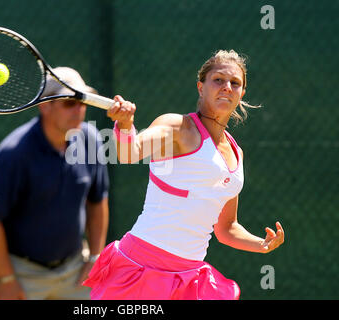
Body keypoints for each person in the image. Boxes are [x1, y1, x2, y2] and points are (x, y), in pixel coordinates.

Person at [83, 50, 285, 300]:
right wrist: (125, 125)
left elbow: (226, 228)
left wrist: (261, 244)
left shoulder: (236, 153)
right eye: (218, 80)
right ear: (201, 87)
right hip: (139, 268)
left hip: (189, 279)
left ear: (242, 94)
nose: (227, 87)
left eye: (235, 83)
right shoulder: (177, 128)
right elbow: (130, 153)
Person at [0, 67, 109, 300]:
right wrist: (6, 279)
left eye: (83, 102)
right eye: (69, 103)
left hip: (75, 270)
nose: (79, 110)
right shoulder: (14, 153)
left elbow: (97, 202)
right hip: (22, 274)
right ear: (45, 105)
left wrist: (95, 258)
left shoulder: (91, 140)